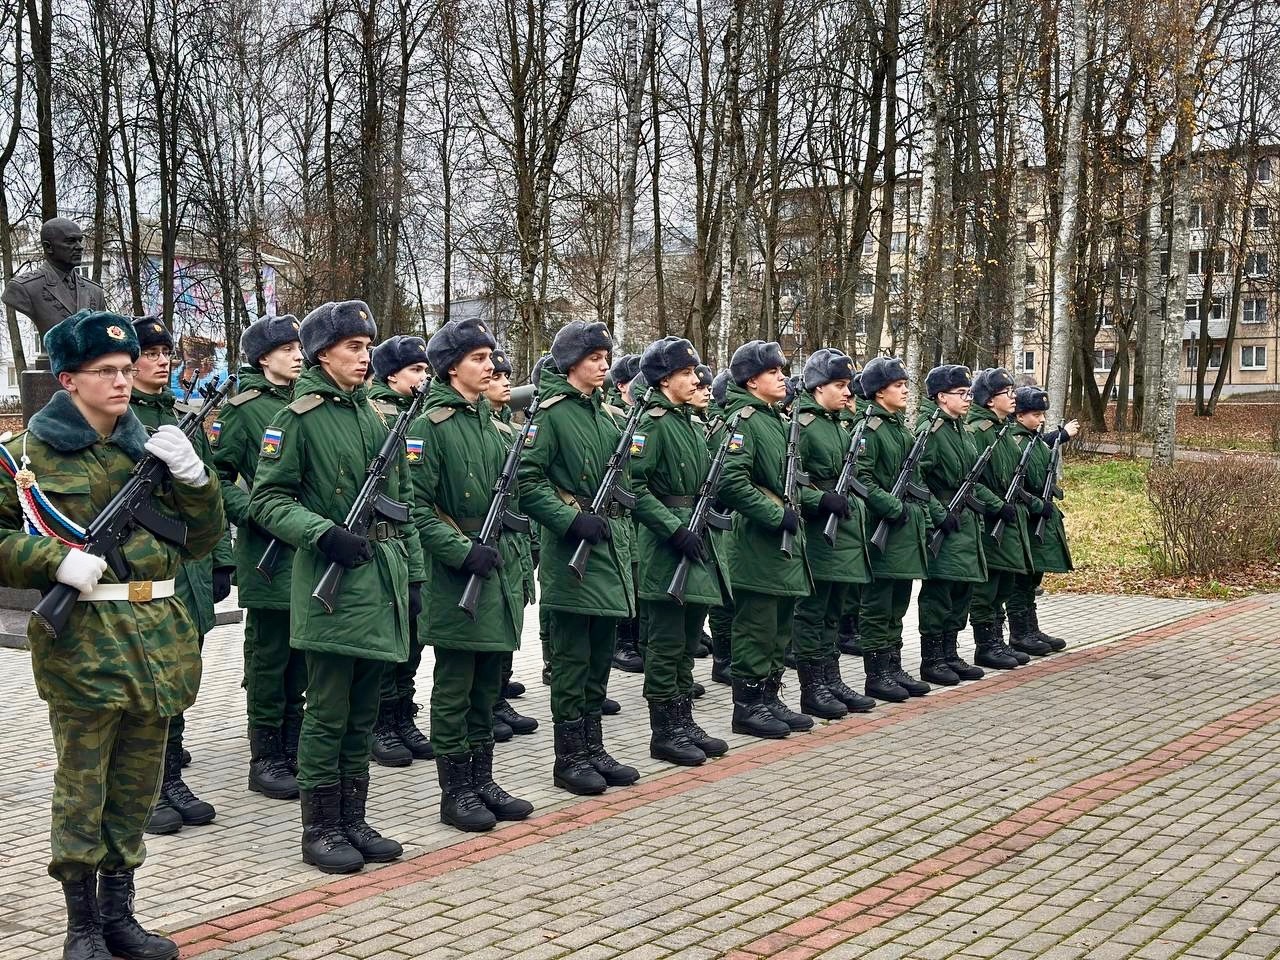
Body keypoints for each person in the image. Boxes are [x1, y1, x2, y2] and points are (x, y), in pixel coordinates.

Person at [0, 309, 225, 960]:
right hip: (84, 640)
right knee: (83, 786)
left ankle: (122, 916)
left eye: (128, 370)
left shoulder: (153, 445)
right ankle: (83, 926)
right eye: (107, 371)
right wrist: (50, 560)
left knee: (136, 786)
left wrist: (195, 482)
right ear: (69, 380)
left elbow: (202, 541)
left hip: (157, 637)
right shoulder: (28, 457)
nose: (123, 381)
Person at [249, 300, 424, 874]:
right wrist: (322, 534)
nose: (364, 357)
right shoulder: (297, 418)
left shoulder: (377, 416)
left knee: (364, 709)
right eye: (353, 347)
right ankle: (320, 827)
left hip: (382, 579)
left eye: (368, 346)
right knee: (327, 711)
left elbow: (404, 507)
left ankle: (353, 817)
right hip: (331, 583)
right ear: (323, 353)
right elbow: (267, 500)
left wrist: (415, 575)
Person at [405, 319, 534, 831]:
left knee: (487, 687)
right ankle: (456, 790)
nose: (491, 366)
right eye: (479, 358)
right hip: (456, 578)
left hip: (497, 573)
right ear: (451, 365)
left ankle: (483, 779)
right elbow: (415, 508)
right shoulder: (428, 426)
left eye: (491, 357)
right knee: (456, 687)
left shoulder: (494, 424)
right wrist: (462, 551)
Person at [518, 321, 639, 795]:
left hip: (608, 549)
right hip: (573, 554)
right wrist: (569, 520)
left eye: (606, 356)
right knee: (572, 662)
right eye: (593, 357)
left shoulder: (608, 415)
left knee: (599, 658)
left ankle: (594, 747)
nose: (604, 364)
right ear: (571, 363)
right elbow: (528, 482)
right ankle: (569, 758)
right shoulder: (548, 415)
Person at [128, 316, 233, 834]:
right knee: (147, 685)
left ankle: (170, 775)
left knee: (179, 677)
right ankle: (147, 788)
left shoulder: (180, 415)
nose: (162, 360)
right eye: (150, 352)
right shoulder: (121, 419)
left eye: (166, 351)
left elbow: (208, 493)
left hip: (186, 570)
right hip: (142, 573)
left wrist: (222, 560)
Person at [210, 314, 307, 801]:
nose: (297, 354)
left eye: (298, 346)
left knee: (303, 655)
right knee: (270, 656)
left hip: (309, 548)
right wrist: (256, 512)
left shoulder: (308, 401)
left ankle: (294, 745)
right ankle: (266, 756)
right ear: (263, 358)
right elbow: (218, 475)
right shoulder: (244, 410)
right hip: (268, 551)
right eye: (286, 348)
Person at [630, 337, 730, 767]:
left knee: (689, 638)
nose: (696, 379)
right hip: (667, 545)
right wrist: (673, 529)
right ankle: (665, 730)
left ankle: (683, 719)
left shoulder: (690, 421)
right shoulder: (650, 423)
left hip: (696, 538)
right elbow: (633, 486)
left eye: (696, 373)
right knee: (667, 644)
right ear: (666, 379)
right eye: (687, 373)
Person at [717, 340, 825, 739]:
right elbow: (730, 482)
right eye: (773, 373)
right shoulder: (744, 420)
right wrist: (775, 515)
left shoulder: (775, 418)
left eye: (782, 371)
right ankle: (747, 707)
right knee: (756, 629)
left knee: (779, 629)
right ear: (750, 381)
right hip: (757, 544)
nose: (783, 378)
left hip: (782, 546)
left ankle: (769, 698)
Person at [791, 349, 877, 719]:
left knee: (832, 613)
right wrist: (819, 500)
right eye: (840, 386)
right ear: (817, 388)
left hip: (842, 534)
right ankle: (813, 687)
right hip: (817, 534)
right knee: (812, 612)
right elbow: (790, 483)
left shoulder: (838, 425)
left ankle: (831, 678)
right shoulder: (802, 427)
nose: (848, 393)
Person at [366, 335, 435, 767]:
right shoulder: (382, 413)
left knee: (412, 642)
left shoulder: (417, 413)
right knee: (390, 643)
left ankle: (402, 715)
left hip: (415, 545)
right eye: (415, 371)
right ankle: (382, 723)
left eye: (427, 371)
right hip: (386, 545)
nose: (423, 378)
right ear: (392, 375)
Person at [856, 356, 941, 701]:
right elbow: (860, 480)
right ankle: (877, 674)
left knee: (898, 605)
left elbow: (915, 480)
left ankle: (892, 666)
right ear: (879, 392)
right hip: (883, 530)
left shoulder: (897, 428)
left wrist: (928, 515)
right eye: (898, 385)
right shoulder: (870, 430)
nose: (906, 390)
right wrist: (891, 507)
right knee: (878, 605)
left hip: (904, 530)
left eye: (906, 384)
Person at [914, 365, 994, 687]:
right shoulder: (930, 430)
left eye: (969, 393)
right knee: (940, 591)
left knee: (962, 589)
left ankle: (949, 653)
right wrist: (937, 513)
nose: (967, 398)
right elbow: (915, 477)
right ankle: (932, 659)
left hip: (965, 522)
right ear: (941, 396)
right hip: (944, 524)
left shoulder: (960, 428)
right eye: (961, 393)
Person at [965, 368, 1041, 669]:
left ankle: (998, 639)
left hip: (1008, 516)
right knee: (988, 586)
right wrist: (997, 505)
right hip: (990, 518)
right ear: (988, 399)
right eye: (1006, 393)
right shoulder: (979, 431)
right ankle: (987, 645)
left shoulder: (1002, 430)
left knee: (1004, 584)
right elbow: (972, 479)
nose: (1013, 397)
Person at [485, 346, 539, 736]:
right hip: (479, 544)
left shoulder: (506, 428)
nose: (504, 382)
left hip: (510, 541)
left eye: (507, 377)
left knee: (507, 618)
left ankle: (496, 692)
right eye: (498, 376)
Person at [1007, 388, 1078, 652]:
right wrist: (1036, 503)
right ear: (1020, 415)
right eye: (1036, 414)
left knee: (1033, 576)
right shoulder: (1015, 443)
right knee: (1020, 578)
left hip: (1038, 515)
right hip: (1024, 517)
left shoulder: (1033, 440)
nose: (1041, 420)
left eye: (1042, 415)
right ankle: (1019, 634)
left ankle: (1031, 629)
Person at [607, 352, 645, 674]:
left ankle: (633, 640)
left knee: (633, 580)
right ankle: (623, 644)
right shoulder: (615, 417)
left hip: (628, 520)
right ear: (621, 386)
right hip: (606, 519)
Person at [705, 370, 735, 686]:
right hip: (720, 520)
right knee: (723, 599)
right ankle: (723, 658)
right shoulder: (721, 428)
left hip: (728, 519)